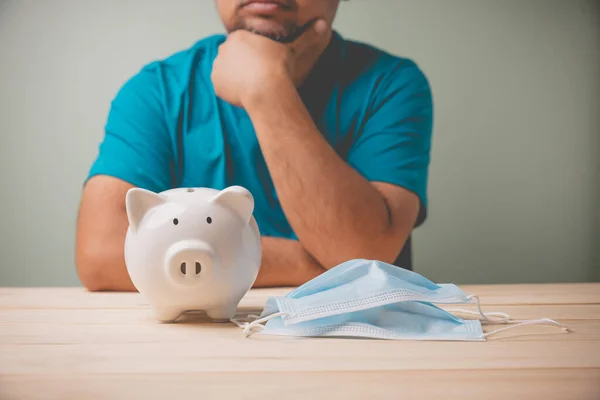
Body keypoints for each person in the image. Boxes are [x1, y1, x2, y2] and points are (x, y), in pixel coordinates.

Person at [75, 0, 433, 291]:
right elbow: (100, 253)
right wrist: (312, 262)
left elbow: (363, 255)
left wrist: (266, 90)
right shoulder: (156, 91)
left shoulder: (392, 85)